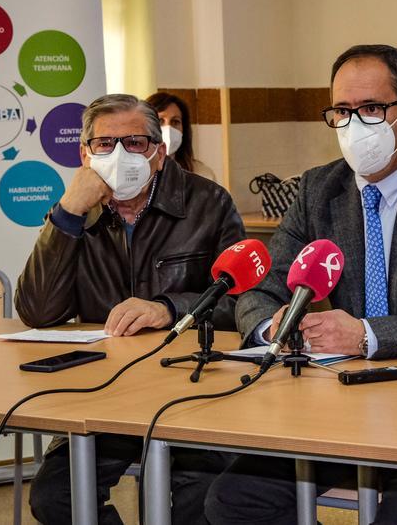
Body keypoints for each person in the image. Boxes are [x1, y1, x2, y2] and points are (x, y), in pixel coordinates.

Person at [204, 44, 397, 525]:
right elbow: (261, 288)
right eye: (342, 112)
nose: (354, 125)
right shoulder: (317, 190)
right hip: (333, 405)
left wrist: (368, 335)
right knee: (234, 500)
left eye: (371, 109)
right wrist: (273, 328)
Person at [16, 93, 245, 525]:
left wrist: (170, 308)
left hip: (194, 393)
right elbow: (37, 311)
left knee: (204, 500)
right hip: (105, 393)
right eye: (104, 144)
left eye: (135, 142)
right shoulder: (75, 215)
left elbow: (242, 301)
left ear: (158, 153)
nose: (119, 154)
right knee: (55, 497)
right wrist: (66, 214)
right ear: (84, 154)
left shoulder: (208, 203)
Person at [146, 91, 217, 182]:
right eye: (160, 121)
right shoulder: (133, 172)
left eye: (175, 122)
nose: (168, 129)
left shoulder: (203, 175)